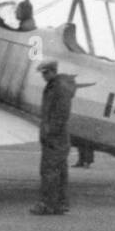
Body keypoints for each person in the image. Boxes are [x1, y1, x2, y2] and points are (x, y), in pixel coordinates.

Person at [30, 60, 75, 215]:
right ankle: (61, 204)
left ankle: (46, 204)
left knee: (49, 170)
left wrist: (50, 131)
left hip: (55, 137)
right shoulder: (57, 86)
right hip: (59, 137)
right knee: (60, 171)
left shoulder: (58, 88)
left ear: (51, 71)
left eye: (45, 73)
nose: (43, 76)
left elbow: (61, 113)